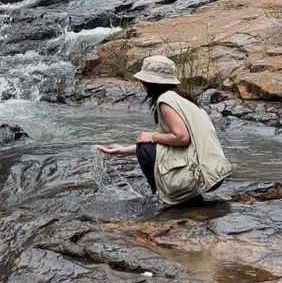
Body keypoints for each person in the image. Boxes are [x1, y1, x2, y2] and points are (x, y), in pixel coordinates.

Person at [97, 54, 232, 205]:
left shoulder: (165, 101)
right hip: (215, 172)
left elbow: (182, 137)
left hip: (202, 175)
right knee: (146, 145)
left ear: (149, 82)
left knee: (145, 146)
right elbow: (165, 145)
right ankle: (186, 195)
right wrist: (122, 150)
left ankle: (171, 198)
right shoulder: (183, 98)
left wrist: (152, 136)